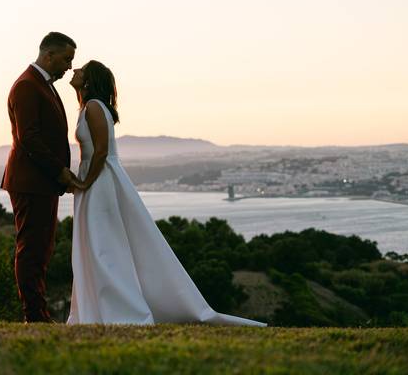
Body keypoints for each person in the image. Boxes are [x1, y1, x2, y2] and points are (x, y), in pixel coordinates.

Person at [66, 60, 265, 326]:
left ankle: (118, 309)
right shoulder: (88, 107)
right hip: (97, 178)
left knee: (104, 245)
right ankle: (101, 307)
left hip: (100, 181)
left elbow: (101, 151)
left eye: (80, 69)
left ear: (89, 80)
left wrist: (83, 183)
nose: (74, 71)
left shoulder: (92, 107)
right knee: (99, 243)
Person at [1, 31, 78, 322]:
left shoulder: (40, 84)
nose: (69, 66)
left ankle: (37, 312)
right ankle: (34, 315)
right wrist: (60, 171)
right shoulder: (27, 86)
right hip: (30, 182)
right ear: (49, 55)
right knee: (32, 249)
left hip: (41, 183)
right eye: (66, 59)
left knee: (42, 248)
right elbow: (28, 138)